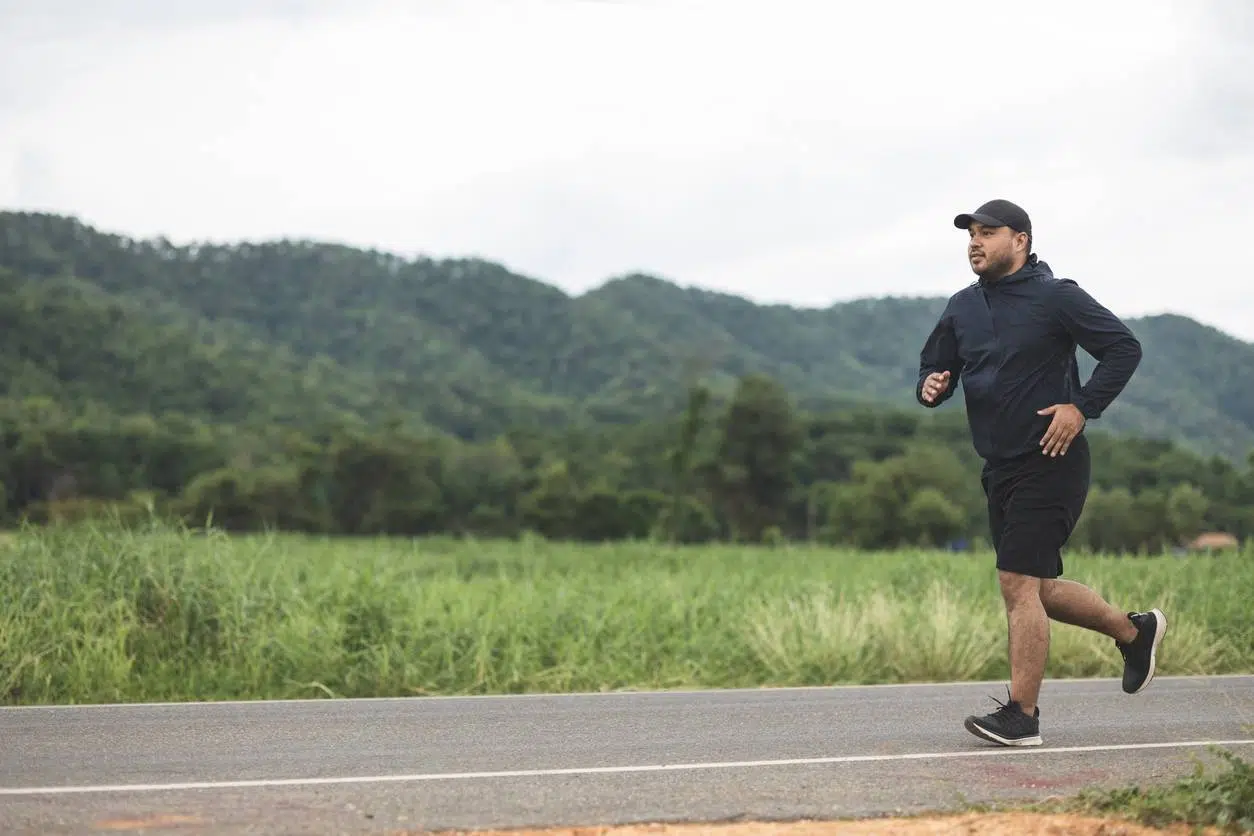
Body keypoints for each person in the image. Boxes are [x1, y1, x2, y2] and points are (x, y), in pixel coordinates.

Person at [916, 198, 1166, 747]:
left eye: (988, 232)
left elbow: (1123, 348)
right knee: (1039, 588)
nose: (975, 243)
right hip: (999, 466)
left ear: (1021, 239)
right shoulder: (962, 307)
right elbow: (937, 364)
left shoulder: (1056, 297)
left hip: (1052, 459)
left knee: (1016, 582)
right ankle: (1134, 631)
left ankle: (1022, 715)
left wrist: (1081, 407)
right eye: (970, 235)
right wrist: (932, 385)